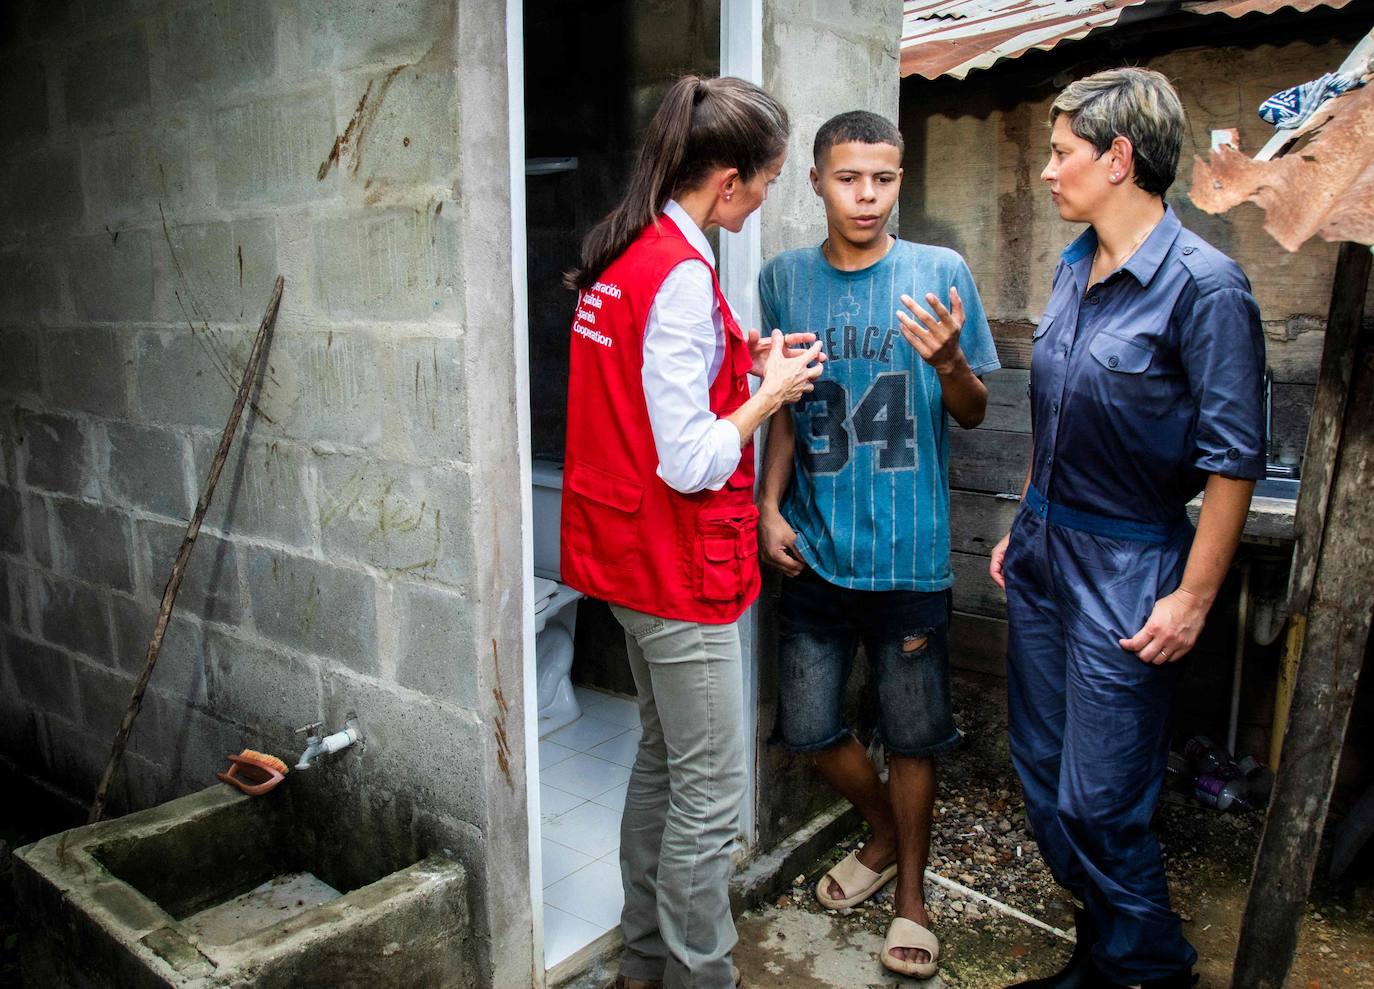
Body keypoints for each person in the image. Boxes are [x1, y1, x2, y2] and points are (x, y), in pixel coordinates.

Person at [989, 67, 1265, 989]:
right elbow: (1056, 410)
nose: (1047, 171)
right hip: (1044, 550)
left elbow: (1233, 460)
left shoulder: (1205, 288)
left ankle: (1151, 971)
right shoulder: (1075, 267)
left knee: (1101, 798)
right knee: (1041, 769)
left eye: (1060, 152)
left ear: (1117, 158)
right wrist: (1025, 515)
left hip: (1129, 562)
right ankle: (1101, 955)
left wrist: (1193, 597)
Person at [560, 74, 824, 989]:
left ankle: (642, 963)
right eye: (769, 181)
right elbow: (690, 459)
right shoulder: (676, 272)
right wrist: (769, 395)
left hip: (626, 562)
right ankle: (698, 976)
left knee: (664, 762)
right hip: (675, 574)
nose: (768, 197)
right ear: (727, 180)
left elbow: (644, 389)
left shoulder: (629, 251)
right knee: (709, 797)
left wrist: (740, 358)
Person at [757, 110, 1000, 981]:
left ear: (900, 181)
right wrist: (768, 505)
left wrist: (949, 363)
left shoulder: (939, 273)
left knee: (913, 737)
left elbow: (972, 412)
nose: (867, 196)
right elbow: (787, 407)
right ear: (816, 181)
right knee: (811, 727)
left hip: (909, 555)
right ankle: (887, 832)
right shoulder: (783, 279)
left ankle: (912, 896)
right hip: (815, 552)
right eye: (848, 178)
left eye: (884, 179)